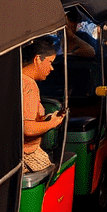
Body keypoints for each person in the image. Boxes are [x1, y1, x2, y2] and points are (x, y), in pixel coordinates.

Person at [20, 37, 65, 174]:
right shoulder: (29, 85)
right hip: (27, 155)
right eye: (50, 62)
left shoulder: (14, 78)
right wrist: (53, 123)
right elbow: (27, 129)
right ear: (38, 59)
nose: (51, 68)